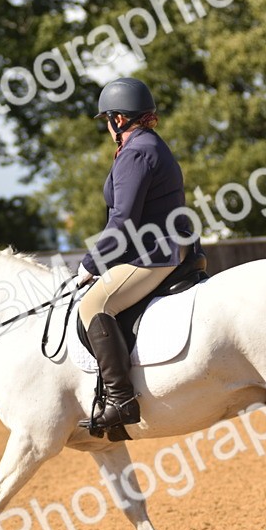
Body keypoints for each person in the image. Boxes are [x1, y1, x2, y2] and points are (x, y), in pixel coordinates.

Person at [75, 77, 186, 433]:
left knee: (93, 305)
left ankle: (120, 400)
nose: (107, 128)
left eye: (107, 120)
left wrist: (90, 264)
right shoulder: (150, 144)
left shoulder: (136, 152)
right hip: (166, 246)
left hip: (154, 253)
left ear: (119, 119)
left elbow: (123, 221)